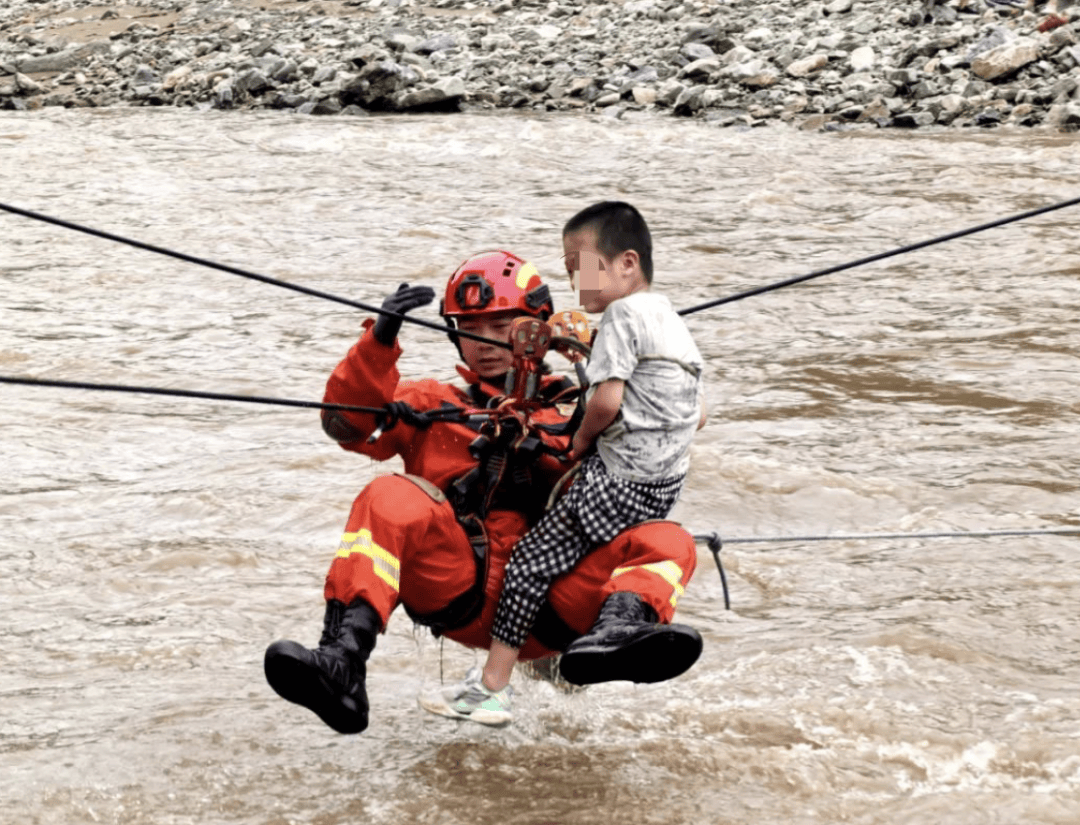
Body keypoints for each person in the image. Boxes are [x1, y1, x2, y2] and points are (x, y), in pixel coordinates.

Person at [264, 248, 702, 734]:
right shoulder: (430, 402)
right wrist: (378, 342)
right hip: (457, 587)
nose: (485, 342)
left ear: (537, 328)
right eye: (470, 328)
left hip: (555, 606)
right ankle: (343, 660)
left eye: (501, 327)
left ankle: (616, 633)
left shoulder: (584, 407)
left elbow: (672, 429)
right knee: (387, 496)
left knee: (671, 541)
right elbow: (345, 426)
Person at [430, 202, 706, 726]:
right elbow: (699, 414)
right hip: (663, 486)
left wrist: (580, 442)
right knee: (598, 553)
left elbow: (605, 403)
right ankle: (609, 630)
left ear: (627, 263)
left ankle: (491, 689)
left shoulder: (620, 317)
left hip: (616, 483)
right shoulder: (670, 320)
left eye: (581, 267)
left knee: (528, 564)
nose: (576, 282)